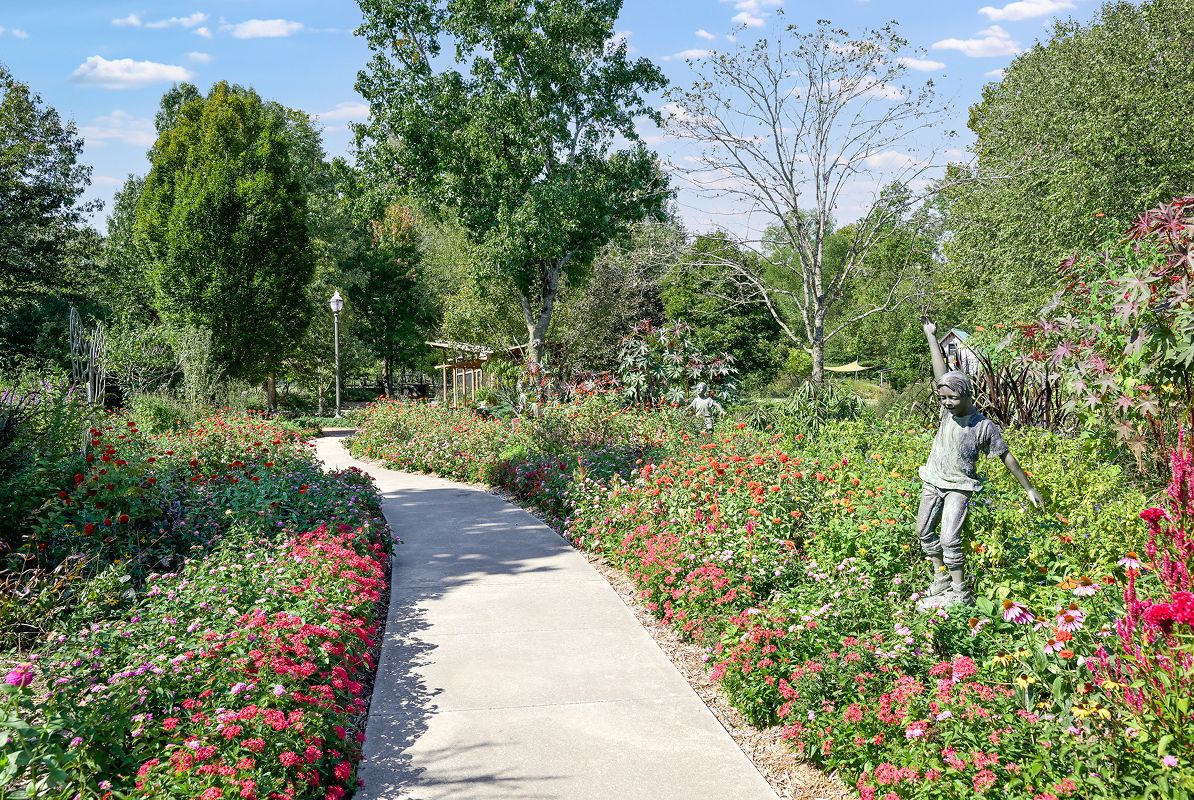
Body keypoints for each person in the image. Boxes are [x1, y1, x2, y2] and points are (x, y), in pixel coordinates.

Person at [915, 318, 1044, 610]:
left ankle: (960, 590)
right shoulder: (946, 413)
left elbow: (1006, 457)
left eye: (952, 397)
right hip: (933, 480)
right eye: (942, 397)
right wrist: (931, 337)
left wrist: (1029, 489)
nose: (946, 402)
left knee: (950, 539)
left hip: (959, 487)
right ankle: (940, 578)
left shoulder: (983, 427)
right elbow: (940, 373)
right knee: (924, 532)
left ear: (966, 395)